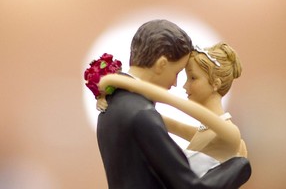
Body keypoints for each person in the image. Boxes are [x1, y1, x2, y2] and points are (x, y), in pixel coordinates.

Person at [96, 19, 251, 189]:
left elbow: (172, 112)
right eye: (178, 73)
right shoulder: (142, 114)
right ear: (161, 64)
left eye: (192, 78)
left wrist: (129, 85)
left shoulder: (117, 107)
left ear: (215, 83)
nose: (180, 84)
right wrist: (240, 167)